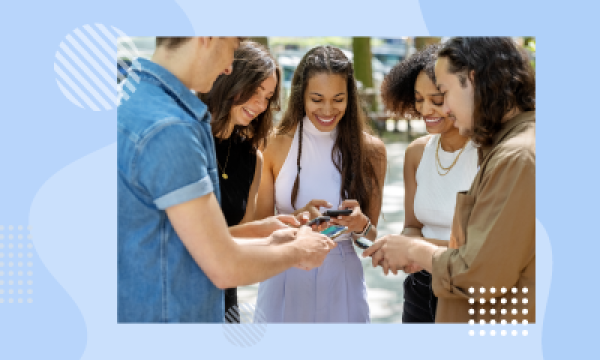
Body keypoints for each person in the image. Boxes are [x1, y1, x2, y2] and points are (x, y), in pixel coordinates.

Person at [117, 37, 336, 323]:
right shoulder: (172, 129)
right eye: (233, 49)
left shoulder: (129, 100)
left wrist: (266, 239)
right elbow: (224, 265)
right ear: (209, 37)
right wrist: (298, 251)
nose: (228, 66)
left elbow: (179, 243)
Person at [364, 37, 535, 323]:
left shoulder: (516, 156)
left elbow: (480, 272)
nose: (444, 110)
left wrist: (413, 249)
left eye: (443, 93)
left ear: (473, 80)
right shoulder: (511, 148)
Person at [254, 45, 387, 322]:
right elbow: (257, 228)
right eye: (317, 99)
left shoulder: (371, 150)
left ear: (350, 97)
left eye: (338, 99)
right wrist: (297, 218)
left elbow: (371, 236)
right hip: (285, 271)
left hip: (343, 278)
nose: (328, 110)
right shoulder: (273, 144)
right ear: (301, 94)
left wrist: (360, 224)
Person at [380, 44, 478, 323]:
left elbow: (483, 247)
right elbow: (413, 225)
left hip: (466, 291)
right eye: (419, 99)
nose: (425, 109)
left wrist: (412, 249)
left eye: (437, 99)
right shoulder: (416, 153)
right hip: (420, 288)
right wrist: (402, 248)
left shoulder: (488, 154)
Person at [199, 41, 283, 322]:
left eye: (268, 97)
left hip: (224, 298)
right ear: (231, 79)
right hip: (178, 295)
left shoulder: (252, 158)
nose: (261, 105)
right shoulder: (186, 139)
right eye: (255, 92)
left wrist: (285, 232)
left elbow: (240, 239)